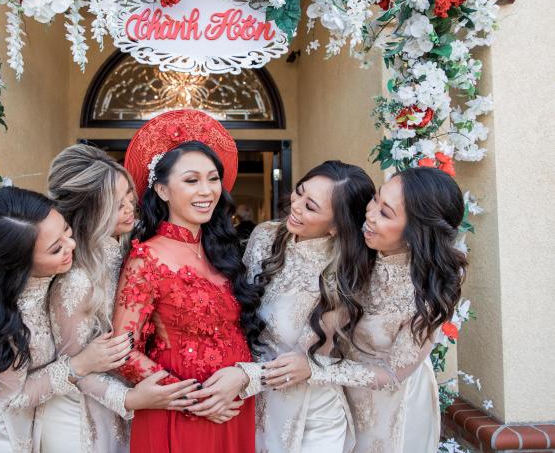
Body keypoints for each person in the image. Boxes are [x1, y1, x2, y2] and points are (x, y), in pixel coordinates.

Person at [0, 187, 129, 453]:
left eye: (67, 230)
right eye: (56, 248)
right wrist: (79, 365)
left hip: (40, 414)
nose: (71, 245)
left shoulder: (52, 271)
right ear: (18, 263)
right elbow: (13, 397)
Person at [111, 110, 260, 453]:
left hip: (234, 403)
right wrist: (198, 399)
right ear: (162, 189)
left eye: (213, 179)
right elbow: (123, 350)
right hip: (179, 409)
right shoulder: (146, 258)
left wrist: (241, 380)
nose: (207, 191)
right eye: (192, 180)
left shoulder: (224, 252)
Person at [292, 166, 467, 452]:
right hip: (339, 392)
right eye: (376, 198)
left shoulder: (429, 293)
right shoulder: (360, 249)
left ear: (415, 233)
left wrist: (316, 370)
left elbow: (392, 374)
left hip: (393, 403)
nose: (370, 214)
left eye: (385, 213)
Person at [36, 145, 198, 453]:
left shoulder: (126, 249)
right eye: (116, 203)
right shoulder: (77, 279)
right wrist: (130, 398)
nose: (129, 207)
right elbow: (74, 368)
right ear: (89, 210)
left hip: (122, 407)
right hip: (80, 418)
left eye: (128, 196)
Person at [236, 161, 375, 453]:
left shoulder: (343, 276)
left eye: (310, 207)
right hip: (251, 402)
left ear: (336, 226)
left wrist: (241, 376)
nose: (295, 206)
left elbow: (302, 361)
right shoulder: (264, 235)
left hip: (311, 414)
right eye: (299, 192)